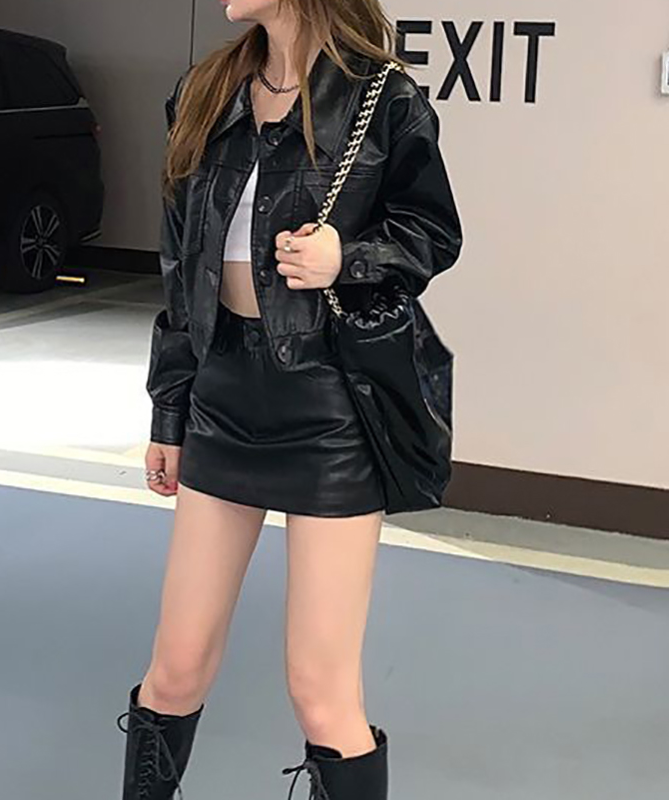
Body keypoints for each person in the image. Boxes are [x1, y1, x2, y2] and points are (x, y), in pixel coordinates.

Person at [117, 0, 463, 797]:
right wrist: (169, 410)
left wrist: (350, 256)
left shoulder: (382, 97)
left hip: (330, 406)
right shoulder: (206, 90)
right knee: (175, 667)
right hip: (222, 393)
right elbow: (180, 267)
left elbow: (433, 232)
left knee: (319, 689)